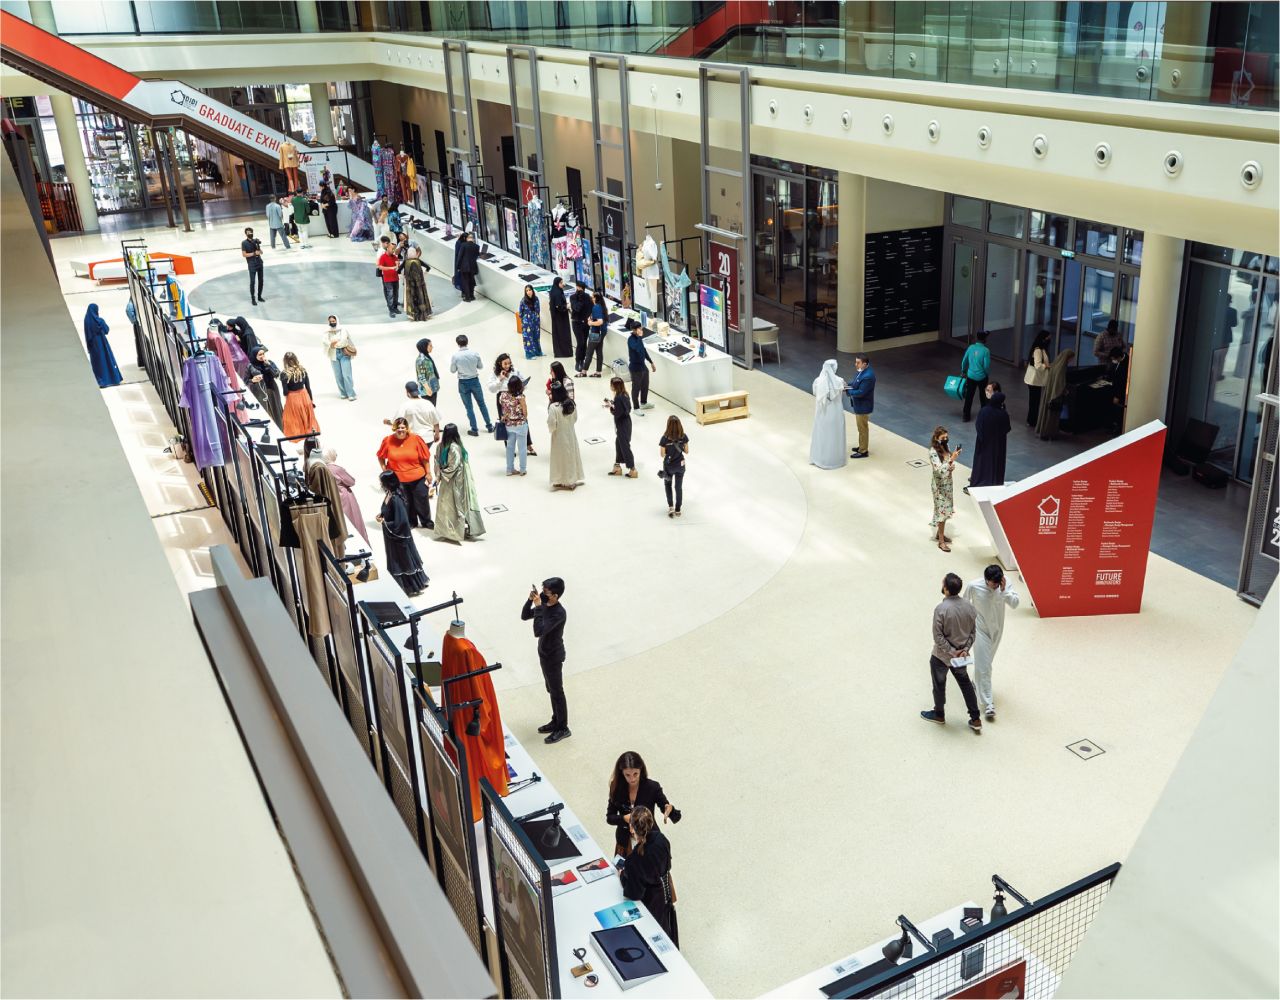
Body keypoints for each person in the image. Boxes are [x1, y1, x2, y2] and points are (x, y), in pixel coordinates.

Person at [920, 572, 983, 733]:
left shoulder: (941, 609)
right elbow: (973, 633)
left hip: (941, 656)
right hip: (961, 658)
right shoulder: (970, 608)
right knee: (966, 685)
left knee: (939, 685)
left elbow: (937, 636)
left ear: (946, 589)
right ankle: (975, 719)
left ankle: (939, 714)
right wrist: (964, 650)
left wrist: (951, 651)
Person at [964, 565, 1020, 721]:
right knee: (985, 666)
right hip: (979, 631)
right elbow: (963, 604)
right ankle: (988, 704)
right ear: (986, 580)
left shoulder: (1005, 583)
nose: (995, 586)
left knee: (985, 665)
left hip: (996, 631)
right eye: (992, 584)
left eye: (997, 583)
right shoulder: (974, 586)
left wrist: (1004, 591)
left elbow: (1015, 604)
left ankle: (976, 682)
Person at [619, 807, 678, 946]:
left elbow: (634, 893)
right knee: (666, 929)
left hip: (652, 903)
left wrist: (622, 874)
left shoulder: (634, 860)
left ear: (632, 829)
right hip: (665, 892)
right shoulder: (661, 839)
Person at [521, 577, 569, 743]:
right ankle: (556, 720)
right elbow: (525, 615)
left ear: (554, 596)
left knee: (557, 692)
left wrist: (539, 607)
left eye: (546, 592)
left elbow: (538, 631)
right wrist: (529, 601)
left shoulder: (559, 613)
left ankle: (563, 728)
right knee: (551, 689)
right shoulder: (544, 605)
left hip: (554, 657)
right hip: (544, 654)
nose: (542, 594)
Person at [606, 752, 679, 857]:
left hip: (649, 839)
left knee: (652, 870)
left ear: (641, 770)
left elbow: (670, 811)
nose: (632, 779)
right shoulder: (616, 787)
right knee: (623, 871)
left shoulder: (652, 787)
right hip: (624, 841)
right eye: (627, 775)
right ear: (621, 773)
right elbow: (610, 818)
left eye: (635, 774)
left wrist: (670, 810)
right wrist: (624, 818)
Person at [377, 470, 429, 597]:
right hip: (392, 538)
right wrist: (382, 514)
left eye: (381, 482)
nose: (380, 484)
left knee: (403, 561)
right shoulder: (389, 494)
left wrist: (385, 522)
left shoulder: (396, 499)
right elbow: (388, 510)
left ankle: (410, 586)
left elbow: (402, 522)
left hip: (399, 538)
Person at [377, 416, 434, 529]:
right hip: (399, 479)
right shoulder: (388, 440)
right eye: (398, 427)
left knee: (422, 499)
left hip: (418, 477)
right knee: (406, 502)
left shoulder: (416, 439)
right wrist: (385, 470)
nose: (401, 430)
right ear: (394, 428)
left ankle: (426, 521)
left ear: (407, 428)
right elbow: (380, 456)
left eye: (403, 427)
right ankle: (411, 521)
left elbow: (424, 458)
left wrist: (428, 472)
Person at [433, 423, 486, 543]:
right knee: (459, 504)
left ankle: (453, 530)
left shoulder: (442, 446)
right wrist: (440, 475)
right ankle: (456, 529)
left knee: (449, 505)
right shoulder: (456, 447)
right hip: (457, 479)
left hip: (451, 479)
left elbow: (440, 462)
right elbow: (453, 465)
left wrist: (438, 476)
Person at [490, 354, 537, 455]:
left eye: (509, 363)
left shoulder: (515, 370)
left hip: (516, 396)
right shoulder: (495, 373)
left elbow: (524, 381)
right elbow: (491, 389)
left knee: (523, 420)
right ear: (500, 363)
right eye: (505, 363)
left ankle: (528, 445)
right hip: (503, 398)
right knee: (505, 422)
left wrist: (522, 387)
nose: (507, 365)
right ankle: (509, 448)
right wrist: (500, 379)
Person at [324, 447, 370, 546]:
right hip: (345, 498)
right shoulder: (336, 469)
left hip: (333, 497)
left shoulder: (323, 469)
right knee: (355, 522)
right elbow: (351, 481)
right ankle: (363, 545)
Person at [967, 385, 1010, 490]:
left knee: (982, 462)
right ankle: (994, 482)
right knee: (996, 462)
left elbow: (979, 426)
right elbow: (1007, 428)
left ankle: (979, 482)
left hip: (984, 442)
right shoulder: (1003, 414)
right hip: (999, 444)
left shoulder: (984, 410)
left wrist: (983, 438)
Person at [450, 334, 493, 437]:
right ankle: (489, 426)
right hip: (475, 380)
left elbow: (452, 370)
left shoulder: (456, 356)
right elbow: (480, 366)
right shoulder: (475, 353)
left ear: (458, 344)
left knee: (469, 407)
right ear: (467, 342)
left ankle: (474, 429)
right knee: (482, 404)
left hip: (463, 382)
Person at [810, 359, 847, 469]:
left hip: (822, 414)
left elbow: (815, 393)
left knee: (822, 435)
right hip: (836, 414)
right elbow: (843, 391)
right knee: (835, 436)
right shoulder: (840, 381)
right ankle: (835, 460)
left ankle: (820, 459)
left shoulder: (818, 381)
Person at [929, 425, 960, 552]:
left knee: (946, 510)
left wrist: (951, 463)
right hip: (939, 487)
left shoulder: (944, 448)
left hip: (948, 485)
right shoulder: (933, 452)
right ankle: (941, 542)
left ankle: (939, 534)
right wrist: (951, 460)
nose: (946, 439)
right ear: (936, 438)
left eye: (947, 437)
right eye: (943, 437)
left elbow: (947, 466)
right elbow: (939, 470)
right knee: (942, 512)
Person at [547, 380, 583, 490]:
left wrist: (552, 430)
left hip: (558, 436)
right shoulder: (571, 403)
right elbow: (575, 418)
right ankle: (571, 479)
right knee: (571, 455)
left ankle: (558, 479)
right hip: (570, 433)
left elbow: (551, 423)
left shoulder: (554, 407)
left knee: (559, 458)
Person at [1036, 349, 1076, 439]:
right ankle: (1049, 433)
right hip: (1055, 396)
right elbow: (1060, 383)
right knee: (1052, 415)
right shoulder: (1062, 368)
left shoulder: (1055, 365)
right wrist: (1065, 391)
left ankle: (1044, 431)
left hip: (1049, 392)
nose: (1071, 361)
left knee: (1046, 413)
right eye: (1071, 359)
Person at [82, 304, 123, 388]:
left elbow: (87, 334)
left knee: (97, 364)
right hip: (102, 344)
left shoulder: (87, 320)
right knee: (106, 361)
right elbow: (106, 330)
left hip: (93, 346)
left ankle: (100, 381)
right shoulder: (99, 321)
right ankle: (112, 379)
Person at [280, 352, 320, 438]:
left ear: (285, 361)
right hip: (304, 395)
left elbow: (285, 392)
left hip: (293, 398)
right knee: (307, 415)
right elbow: (308, 387)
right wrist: (311, 401)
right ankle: (309, 432)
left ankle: (299, 434)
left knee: (295, 418)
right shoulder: (303, 370)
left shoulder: (284, 374)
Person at [498, 374, 530, 476]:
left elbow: (502, 407)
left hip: (508, 425)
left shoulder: (502, 395)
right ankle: (522, 469)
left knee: (510, 448)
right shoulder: (521, 397)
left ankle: (509, 469)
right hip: (520, 424)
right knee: (522, 448)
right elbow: (525, 412)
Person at [846, 352, 876, 459]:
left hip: (863, 406)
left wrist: (849, 392)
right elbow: (855, 383)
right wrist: (847, 385)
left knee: (862, 428)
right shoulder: (861, 372)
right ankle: (861, 446)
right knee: (861, 428)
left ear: (864, 364)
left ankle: (863, 451)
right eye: (856, 362)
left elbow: (861, 392)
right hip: (860, 405)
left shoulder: (868, 376)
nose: (856, 364)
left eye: (858, 363)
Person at [606, 375, 637, 477]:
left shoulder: (619, 397)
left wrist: (611, 408)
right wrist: (613, 404)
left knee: (624, 446)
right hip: (626, 423)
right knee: (619, 443)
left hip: (622, 424)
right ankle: (617, 466)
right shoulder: (624, 395)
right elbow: (626, 408)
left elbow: (618, 413)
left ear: (614, 386)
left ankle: (632, 469)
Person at [659, 415, 689, 518]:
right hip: (680, 465)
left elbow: (662, 455)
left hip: (669, 466)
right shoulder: (683, 436)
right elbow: (687, 451)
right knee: (678, 487)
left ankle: (671, 507)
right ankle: (678, 509)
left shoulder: (664, 439)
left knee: (668, 485)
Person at [322, 314, 357, 401]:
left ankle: (351, 393)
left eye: (333, 321)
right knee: (338, 375)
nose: (332, 323)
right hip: (333, 355)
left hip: (344, 353)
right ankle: (343, 393)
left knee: (346, 375)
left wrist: (334, 344)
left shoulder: (343, 329)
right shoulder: (327, 331)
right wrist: (331, 344)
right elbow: (325, 341)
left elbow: (344, 340)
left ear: (337, 320)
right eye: (330, 321)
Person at [246, 344, 283, 426]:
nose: (262, 356)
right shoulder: (250, 366)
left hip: (272, 389)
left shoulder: (269, 363)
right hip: (259, 392)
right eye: (260, 354)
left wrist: (269, 365)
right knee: (266, 410)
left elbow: (277, 375)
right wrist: (252, 380)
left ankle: (280, 426)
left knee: (276, 408)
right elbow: (246, 381)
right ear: (254, 355)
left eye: (263, 354)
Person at [960, 331, 991, 422]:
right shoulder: (986, 351)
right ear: (984, 339)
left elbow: (964, 361)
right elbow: (986, 366)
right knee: (983, 396)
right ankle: (984, 416)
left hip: (970, 376)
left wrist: (963, 371)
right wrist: (986, 374)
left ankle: (966, 416)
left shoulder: (971, 348)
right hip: (982, 377)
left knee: (969, 396)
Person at [626, 318, 656, 411]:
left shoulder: (639, 339)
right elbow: (637, 349)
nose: (641, 330)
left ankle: (643, 402)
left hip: (643, 366)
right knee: (636, 388)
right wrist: (639, 337)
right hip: (635, 368)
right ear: (634, 330)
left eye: (641, 328)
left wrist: (651, 362)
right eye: (639, 329)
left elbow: (643, 350)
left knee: (645, 385)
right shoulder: (631, 340)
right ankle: (636, 408)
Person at [1023, 330, 1052, 427]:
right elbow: (1038, 365)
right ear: (1044, 339)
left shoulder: (1041, 349)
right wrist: (1047, 366)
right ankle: (1032, 421)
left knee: (1034, 401)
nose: (1049, 339)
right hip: (1034, 380)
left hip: (1035, 380)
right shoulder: (1038, 350)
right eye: (1048, 338)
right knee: (1034, 402)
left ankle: (1032, 420)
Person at [403, 245, 432, 321]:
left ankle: (413, 315)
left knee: (411, 298)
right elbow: (428, 267)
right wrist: (424, 274)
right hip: (420, 284)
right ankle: (424, 314)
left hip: (410, 285)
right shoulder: (418, 261)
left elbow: (398, 271)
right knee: (421, 297)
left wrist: (403, 277)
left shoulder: (406, 262)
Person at [570, 280, 593, 376]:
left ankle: (582, 359)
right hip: (576, 323)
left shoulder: (587, 297)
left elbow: (591, 307)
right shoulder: (573, 297)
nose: (578, 290)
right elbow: (577, 308)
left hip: (585, 323)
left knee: (585, 343)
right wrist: (580, 299)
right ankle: (578, 361)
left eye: (580, 288)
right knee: (580, 342)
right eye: (577, 288)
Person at [582, 291, 607, 376]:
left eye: (592, 297)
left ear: (595, 298)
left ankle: (584, 371)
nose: (591, 298)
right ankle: (598, 372)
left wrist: (590, 323)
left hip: (596, 332)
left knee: (589, 352)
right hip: (602, 332)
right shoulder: (602, 307)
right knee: (599, 352)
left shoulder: (596, 307)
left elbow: (600, 321)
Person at [376, 236, 401, 318]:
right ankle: (391, 310)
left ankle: (395, 307)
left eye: (394, 249)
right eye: (392, 249)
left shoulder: (395, 257)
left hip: (395, 278)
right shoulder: (383, 257)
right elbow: (380, 267)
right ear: (388, 248)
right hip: (387, 279)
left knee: (396, 293)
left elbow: (398, 264)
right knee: (390, 294)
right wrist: (390, 268)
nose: (393, 251)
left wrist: (398, 264)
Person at [548, 276, 572, 357]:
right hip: (560, 318)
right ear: (557, 283)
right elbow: (558, 306)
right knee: (562, 334)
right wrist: (567, 307)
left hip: (558, 317)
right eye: (561, 283)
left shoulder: (556, 290)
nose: (563, 284)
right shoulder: (557, 293)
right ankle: (564, 352)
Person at [1107, 346, 1130, 432]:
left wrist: (1117, 396)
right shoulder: (1120, 361)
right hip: (1115, 388)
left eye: (1114, 359)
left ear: (1119, 357)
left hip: (1120, 393)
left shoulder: (1125, 364)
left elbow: (1122, 383)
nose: (1113, 360)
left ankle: (1118, 428)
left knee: (1119, 412)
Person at [240, 227, 265, 304]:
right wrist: (254, 253)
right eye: (248, 233)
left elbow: (261, 252)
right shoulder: (244, 243)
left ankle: (259, 296)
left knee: (261, 280)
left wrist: (258, 247)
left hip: (259, 263)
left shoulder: (255, 241)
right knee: (252, 282)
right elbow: (244, 254)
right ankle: (253, 299)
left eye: (251, 232)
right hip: (251, 264)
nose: (250, 234)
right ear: (246, 234)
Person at [519, 284, 544, 360]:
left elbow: (538, 310)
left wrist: (536, 318)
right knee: (528, 338)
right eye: (527, 290)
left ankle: (538, 352)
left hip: (536, 321)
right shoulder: (523, 301)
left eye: (530, 290)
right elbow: (520, 313)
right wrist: (525, 320)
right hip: (527, 323)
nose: (529, 292)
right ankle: (529, 355)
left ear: (532, 290)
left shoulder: (536, 299)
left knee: (536, 337)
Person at [456, 231, 480, 302]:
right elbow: (476, 255)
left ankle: (467, 297)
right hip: (473, 267)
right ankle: (472, 296)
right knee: (471, 281)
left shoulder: (463, 245)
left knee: (465, 282)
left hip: (464, 267)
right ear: (473, 239)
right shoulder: (477, 246)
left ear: (467, 239)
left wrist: (458, 267)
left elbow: (460, 257)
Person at [415, 337, 440, 406]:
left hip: (432, 387)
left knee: (433, 408)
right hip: (427, 390)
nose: (432, 347)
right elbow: (421, 376)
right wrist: (427, 388)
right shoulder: (421, 360)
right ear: (424, 347)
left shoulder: (427, 357)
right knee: (429, 409)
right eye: (430, 345)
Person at [125, 296, 145, 369]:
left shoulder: (132, 302)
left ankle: (142, 362)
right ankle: (142, 362)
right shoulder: (132, 303)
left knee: (139, 342)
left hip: (137, 324)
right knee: (140, 342)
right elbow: (128, 311)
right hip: (138, 324)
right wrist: (135, 321)